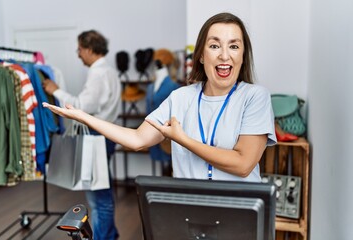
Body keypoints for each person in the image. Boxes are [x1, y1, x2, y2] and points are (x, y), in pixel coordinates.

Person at [43, 13, 276, 185]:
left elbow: (243, 165)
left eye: (234, 46)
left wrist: (182, 140)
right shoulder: (180, 97)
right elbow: (136, 139)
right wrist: (83, 117)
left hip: (240, 211)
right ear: (202, 56)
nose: (224, 55)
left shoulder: (255, 97)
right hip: (190, 211)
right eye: (215, 45)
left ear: (243, 56)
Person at [42, 30, 120, 240]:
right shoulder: (110, 71)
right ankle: (110, 234)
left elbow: (82, 106)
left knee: (98, 197)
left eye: (79, 49)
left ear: (88, 49)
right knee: (102, 190)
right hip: (107, 133)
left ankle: (104, 237)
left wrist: (55, 90)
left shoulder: (98, 72)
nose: (78, 54)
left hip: (97, 135)